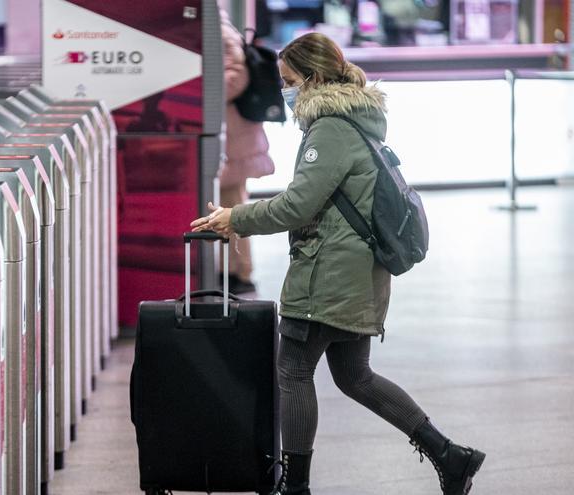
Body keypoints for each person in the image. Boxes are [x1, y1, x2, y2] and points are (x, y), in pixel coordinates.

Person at [190, 33, 485, 495]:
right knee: (354, 376)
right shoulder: (355, 119)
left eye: (289, 81)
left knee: (293, 372)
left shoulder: (329, 127)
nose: (284, 91)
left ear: (314, 78)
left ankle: (296, 487)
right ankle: (450, 455)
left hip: (327, 275)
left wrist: (235, 218)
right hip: (355, 272)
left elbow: (297, 206)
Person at [218, 9, 275, 294]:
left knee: (233, 209)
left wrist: (199, 92)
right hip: (233, 137)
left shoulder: (221, 33)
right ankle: (230, 269)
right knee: (230, 207)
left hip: (233, 140)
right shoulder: (218, 30)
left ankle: (239, 272)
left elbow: (235, 77)